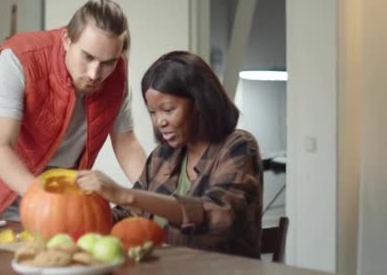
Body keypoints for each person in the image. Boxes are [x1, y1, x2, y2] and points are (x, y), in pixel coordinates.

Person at [0, 0, 147, 218]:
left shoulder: (117, 77)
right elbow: (1, 148)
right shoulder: (19, 59)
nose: (95, 73)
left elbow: (127, 144)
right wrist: (46, 201)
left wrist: (154, 196)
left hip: (61, 190)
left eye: (108, 62)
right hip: (0, 189)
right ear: (67, 39)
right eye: (88, 57)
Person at [76, 51, 263, 258]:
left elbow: (221, 217)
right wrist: (81, 215)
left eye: (167, 109)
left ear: (199, 103)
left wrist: (125, 195)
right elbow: (129, 215)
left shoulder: (238, 147)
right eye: (153, 112)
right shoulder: (162, 157)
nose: (159, 122)